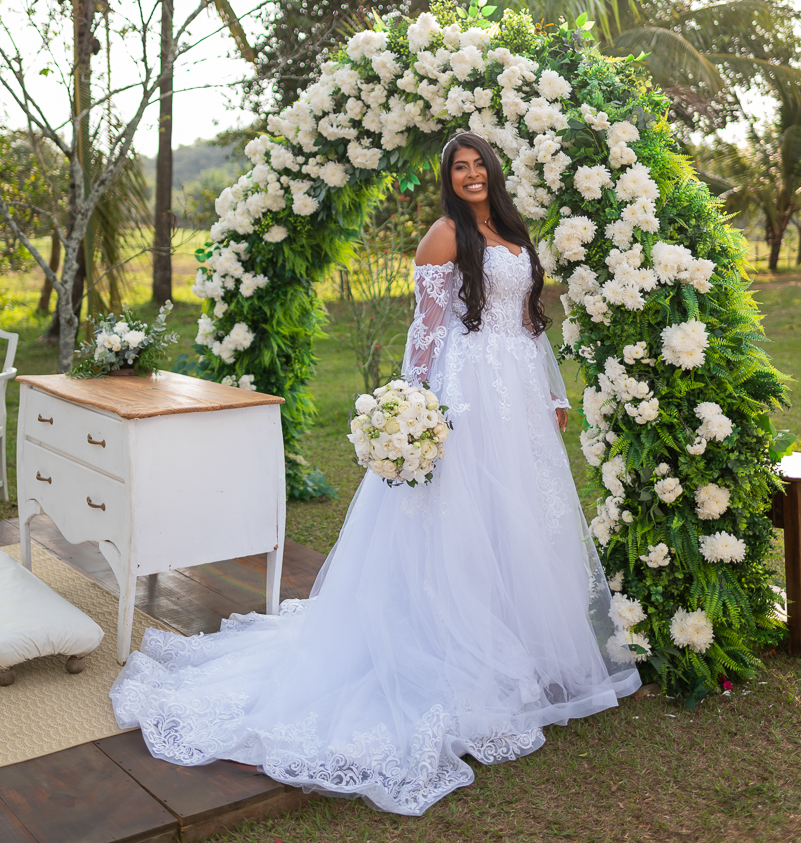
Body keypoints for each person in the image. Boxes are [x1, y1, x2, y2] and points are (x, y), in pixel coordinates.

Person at [110, 131, 640, 816]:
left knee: (520, 514)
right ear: (449, 179)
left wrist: (551, 391)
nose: (471, 174)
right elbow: (426, 329)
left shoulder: (513, 232)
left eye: (478, 164)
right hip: (466, 390)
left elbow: (531, 322)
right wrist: (410, 408)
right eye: (459, 167)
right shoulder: (443, 236)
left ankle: (522, 645)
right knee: (462, 514)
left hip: (517, 393)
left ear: (493, 171)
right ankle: (454, 647)